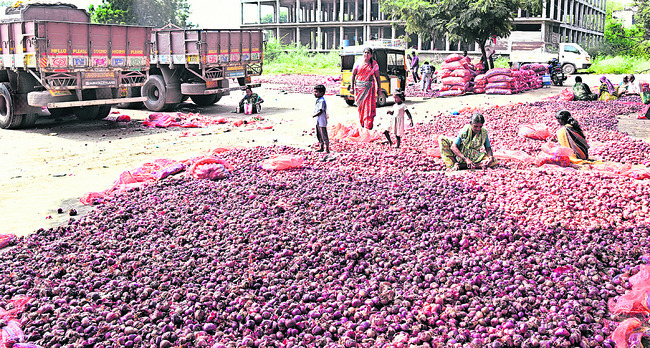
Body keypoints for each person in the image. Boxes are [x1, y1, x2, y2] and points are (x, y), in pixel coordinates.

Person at [351, 47, 381, 129]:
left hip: (369, 89)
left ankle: (368, 126)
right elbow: (353, 75)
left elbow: (377, 77)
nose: (366, 54)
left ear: (371, 55)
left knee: (369, 108)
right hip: (359, 88)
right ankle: (362, 124)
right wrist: (351, 87)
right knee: (360, 107)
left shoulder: (374, 64)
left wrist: (379, 89)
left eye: (368, 53)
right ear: (363, 53)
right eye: (365, 52)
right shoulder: (358, 62)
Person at [312, 84, 329, 154]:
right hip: (318, 120)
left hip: (322, 120)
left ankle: (327, 148)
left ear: (321, 93)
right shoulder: (319, 100)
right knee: (319, 134)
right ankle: (321, 146)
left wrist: (314, 115)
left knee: (324, 134)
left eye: (316, 92)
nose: (314, 94)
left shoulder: (322, 101)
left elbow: (321, 111)